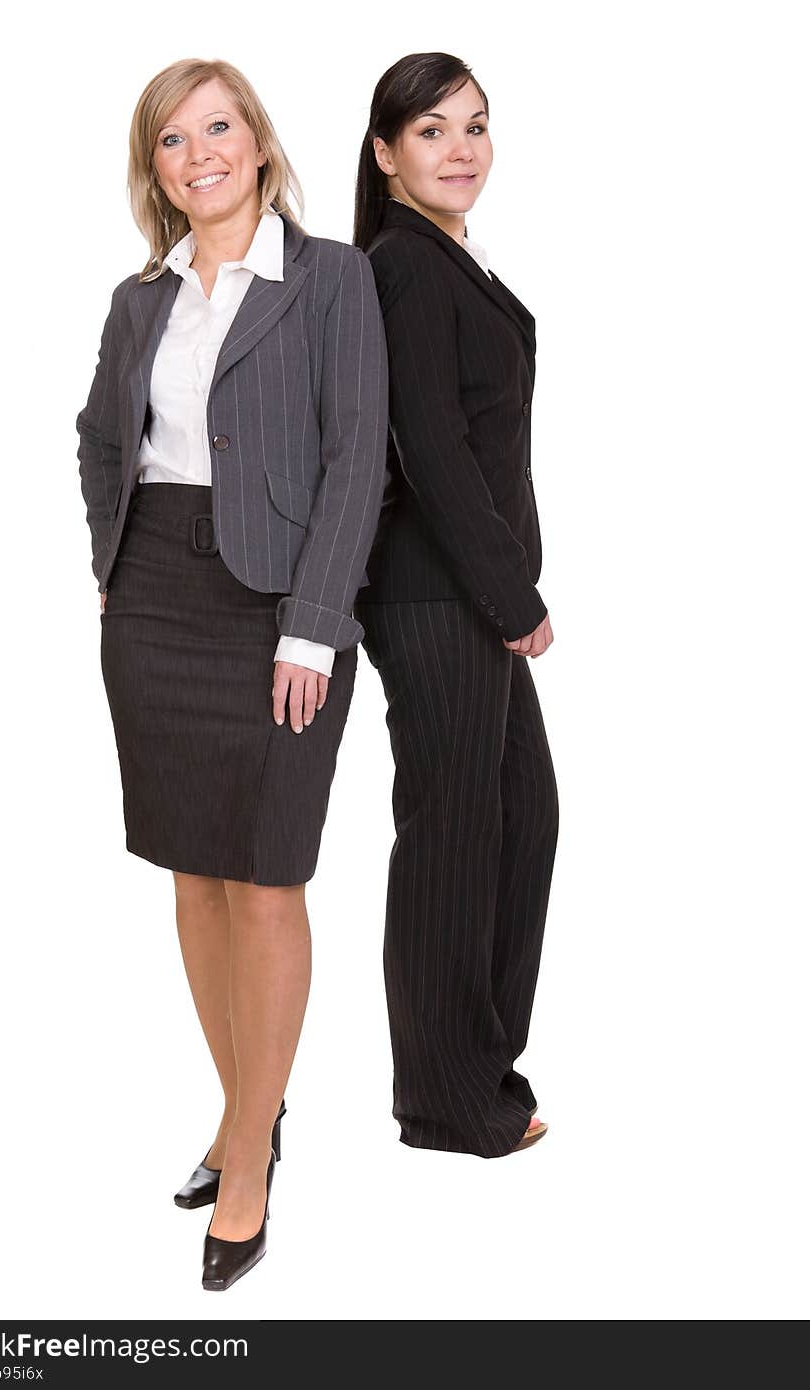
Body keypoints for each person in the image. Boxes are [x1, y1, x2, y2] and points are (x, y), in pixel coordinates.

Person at [75, 57, 387, 1288]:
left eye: (217, 127)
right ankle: (240, 1109)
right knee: (195, 876)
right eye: (169, 141)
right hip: (154, 599)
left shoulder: (331, 280)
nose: (197, 154)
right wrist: (113, 555)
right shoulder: (137, 297)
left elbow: (360, 452)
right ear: (153, 170)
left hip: (279, 606)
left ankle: (250, 1153)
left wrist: (313, 622)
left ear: (257, 142)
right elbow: (104, 437)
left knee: (265, 879)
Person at [353, 53, 559, 1158]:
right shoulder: (404, 265)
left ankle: (476, 1064)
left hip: (464, 595)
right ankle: (440, 1099)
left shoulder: (447, 261)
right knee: (452, 836)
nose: (462, 148)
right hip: (437, 598)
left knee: (520, 816)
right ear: (386, 154)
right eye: (432, 131)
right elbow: (427, 446)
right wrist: (510, 592)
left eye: (475, 126)